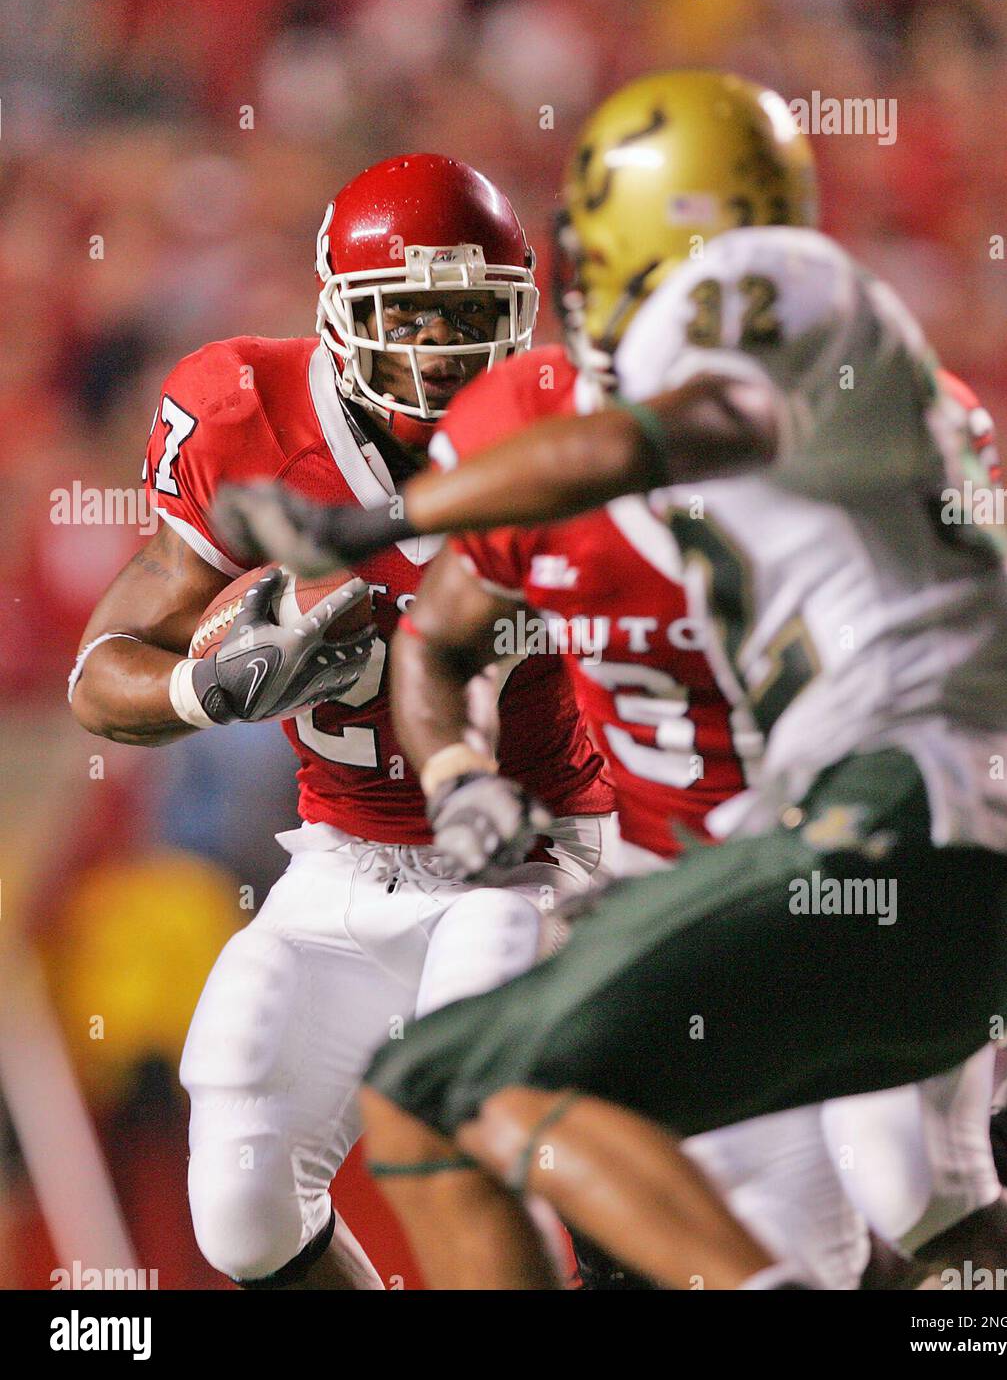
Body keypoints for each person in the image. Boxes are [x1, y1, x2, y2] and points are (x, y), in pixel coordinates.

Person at [217, 76, 1007, 1290]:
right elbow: (450, 631)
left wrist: (381, 519)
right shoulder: (606, 418)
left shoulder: (750, 327)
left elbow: (673, 430)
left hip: (855, 833)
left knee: (478, 1089)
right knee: (918, 1205)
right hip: (840, 851)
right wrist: (463, 766)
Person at [69, 154, 616, 1289]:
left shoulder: (571, 435)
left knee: (469, 1097)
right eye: (407, 315)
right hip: (343, 861)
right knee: (242, 1203)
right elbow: (98, 672)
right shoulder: (247, 419)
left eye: (471, 315)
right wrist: (205, 690)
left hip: (533, 860)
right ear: (337, 316)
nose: (442, 349)